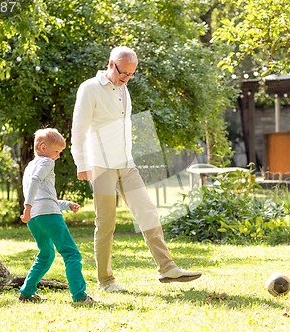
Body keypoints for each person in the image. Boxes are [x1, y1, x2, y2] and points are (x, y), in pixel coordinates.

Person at [71, 46, 201, 292]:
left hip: (126, 165)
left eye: (131, 74)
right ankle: (105, 280)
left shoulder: (125, 90)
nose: (126, 78)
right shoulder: (89, 89)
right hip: (101, 165)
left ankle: (167, 268)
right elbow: (78, 130)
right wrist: (81, 164)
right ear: (111, 64)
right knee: (106, 223)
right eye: (123, 72)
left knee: (148, 212)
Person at [20, 128, 94, 304]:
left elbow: (42, 194)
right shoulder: (47, 162)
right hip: (47, 215)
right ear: (44, 147)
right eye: (57, 151)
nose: (58, 156)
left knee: (46, 254)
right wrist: (27, 206)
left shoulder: (30, 166)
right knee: (71, 254)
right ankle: (79, 296)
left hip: (35, 218)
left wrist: (65, 205)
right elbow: (36, 182)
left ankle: (27, 292)